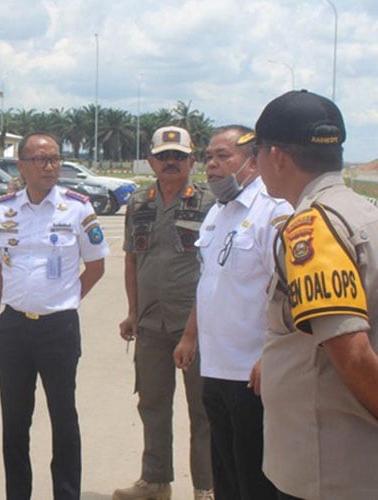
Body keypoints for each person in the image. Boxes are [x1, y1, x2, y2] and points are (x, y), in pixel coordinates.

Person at [254, 89, 378, 499]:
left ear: (277, 157)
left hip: (328, 470)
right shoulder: (364, 213)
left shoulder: (315, 228)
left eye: (256, 152)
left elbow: (354, 355)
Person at [0, 132, 108, 500]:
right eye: (40, 159)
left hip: (59, 329)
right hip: (13, 328)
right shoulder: (3, 209)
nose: (50, 166)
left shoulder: (77, 208)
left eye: (54, 159)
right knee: (15, 422)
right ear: (22, 166)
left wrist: (67, 299)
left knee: (64, 418)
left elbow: (96, 266)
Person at [173, 125, 290, 499]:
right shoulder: (216, 214)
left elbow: (287, 294)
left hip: (252, 374)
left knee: (254, 478)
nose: (211, 165)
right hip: (216, 368)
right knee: (224, 473)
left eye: (223, 156)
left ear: (252, 161)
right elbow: (209, 282)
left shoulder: (272, 213)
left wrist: (269, 356)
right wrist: (190, 336)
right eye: (208, 157)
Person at [115, 126, 215, 500]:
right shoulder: (139, 202)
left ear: (192, 160)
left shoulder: (209, 203)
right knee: (152, 404)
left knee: (202, 409)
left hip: (196, 323)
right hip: (151, 324)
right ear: (152, 160)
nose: (170, 162)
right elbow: (131, 259)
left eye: (178, 156)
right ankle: (155, 481)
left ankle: (207, 487)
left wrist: (195, 328)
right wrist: (132, 311)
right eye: (163, 156)